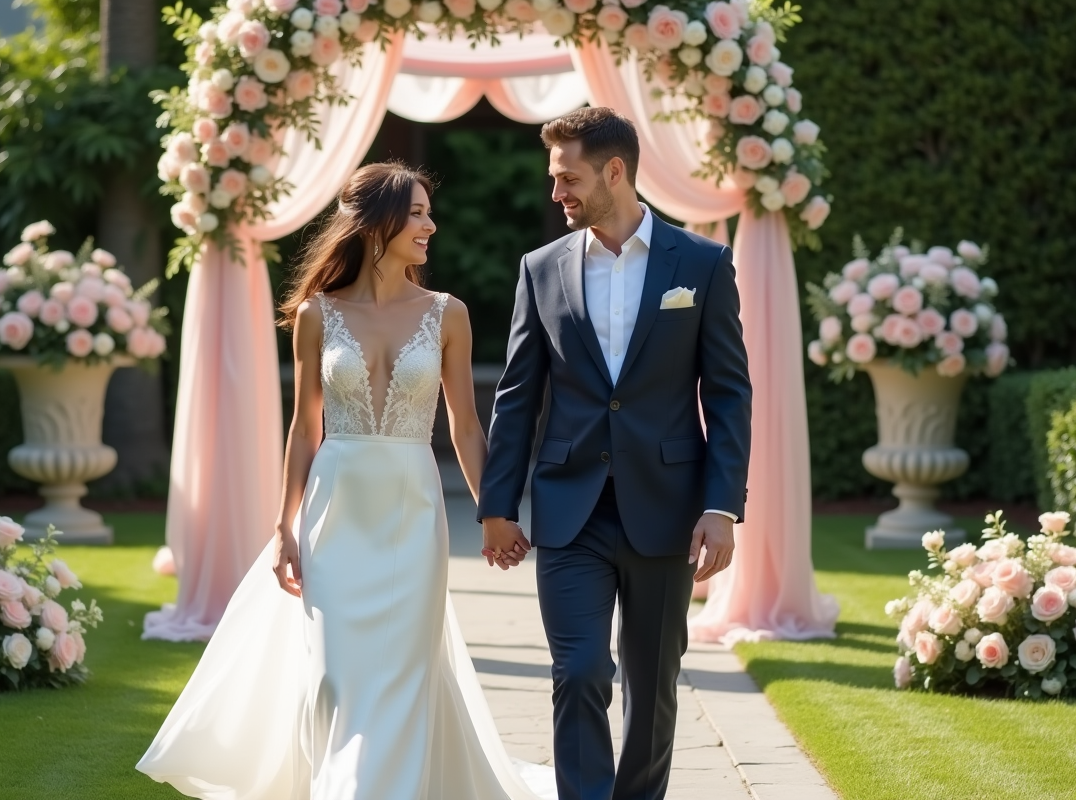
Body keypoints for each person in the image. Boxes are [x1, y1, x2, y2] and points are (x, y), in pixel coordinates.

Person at [137, 162, 545, 800]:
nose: (429, 225)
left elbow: (466, 427)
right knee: (335, 676)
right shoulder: (316, 315)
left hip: (413, 511)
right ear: (375, 223)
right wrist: (284, 528)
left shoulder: (449, 315)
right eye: (415, 212)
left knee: (406, 670)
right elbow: (305, 428)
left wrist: (494, 512)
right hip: (335, 510)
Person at [477, 107, 753, 800]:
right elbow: (518, 396)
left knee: (653, 689)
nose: (557, 193)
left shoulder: (702, 264)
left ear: (616, 171)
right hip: (570, 510)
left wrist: (722, 505)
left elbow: (727, 396)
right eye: (553, 178)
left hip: (667, 511)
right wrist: (497, 507)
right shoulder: (540, 270)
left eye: (567, 177)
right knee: (578, 673)